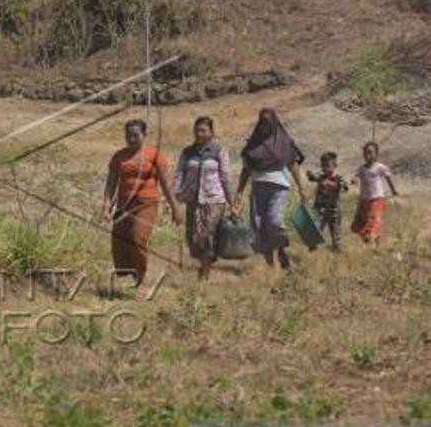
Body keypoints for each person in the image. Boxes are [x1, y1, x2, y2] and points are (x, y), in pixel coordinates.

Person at [102, 119, 181, 299]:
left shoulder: (154, 155)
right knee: (121, 240)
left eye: (136, 135)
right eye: (128, 136)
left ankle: (142, 280)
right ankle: (133, 273)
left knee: (138, 237)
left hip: (147, 203)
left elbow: (165, 183)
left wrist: (175, 207)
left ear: (145, 135)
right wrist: (106, 206)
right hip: (124, 204)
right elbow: (112, 182)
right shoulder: (119, 156)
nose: (131, 139)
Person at [233, 108, 306, 269]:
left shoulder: (284, 142)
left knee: (274, 220)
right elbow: (246, 169)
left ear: (273, 124)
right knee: (259, 225)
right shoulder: (253, 144)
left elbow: (293, 165)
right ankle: (270, 264)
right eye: (262, 124)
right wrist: (239, 191)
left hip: (279, 187)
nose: (264, 127)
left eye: (267, 124)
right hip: (258, 187)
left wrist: (301, 188)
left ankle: (281, 249)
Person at [174, 116, 234, 279]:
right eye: (197, 130)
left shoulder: (219, 151)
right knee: (193, 238)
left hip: (214, 200)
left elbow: (225, 177)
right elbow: (179, 174)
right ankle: (204, 264)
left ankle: (205, 271)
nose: (199, 134)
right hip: (193, 200)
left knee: (206, 235)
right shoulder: (187, 153)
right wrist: (174, 200)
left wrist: (231, 202)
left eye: (203, 130)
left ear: (211, 132)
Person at [350, 141, 398, 246]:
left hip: (377, 198)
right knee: (359, 222)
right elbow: (356, 176)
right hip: (364, 199)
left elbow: (388, 177)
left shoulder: (379, 167)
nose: (368, 155)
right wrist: (354, 180)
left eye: (371, 152)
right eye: (366, 153)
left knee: (373, 219)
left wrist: (393, 190)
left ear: (376, 154)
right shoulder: (361, 168)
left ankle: (372, 241)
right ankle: (373, 239)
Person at [307, 151, 348, 252]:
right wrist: (310, 175)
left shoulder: (338, 178)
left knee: (335, 233)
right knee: (315, 229)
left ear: (335, 165)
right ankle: (313, 247)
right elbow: (313, 178)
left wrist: (333, 185)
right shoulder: (321, 176)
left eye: (327, 166)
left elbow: (345, 187)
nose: (324, 168)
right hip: (320, 209)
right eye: (323, 166)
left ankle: (337, 250)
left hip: (333, 211)